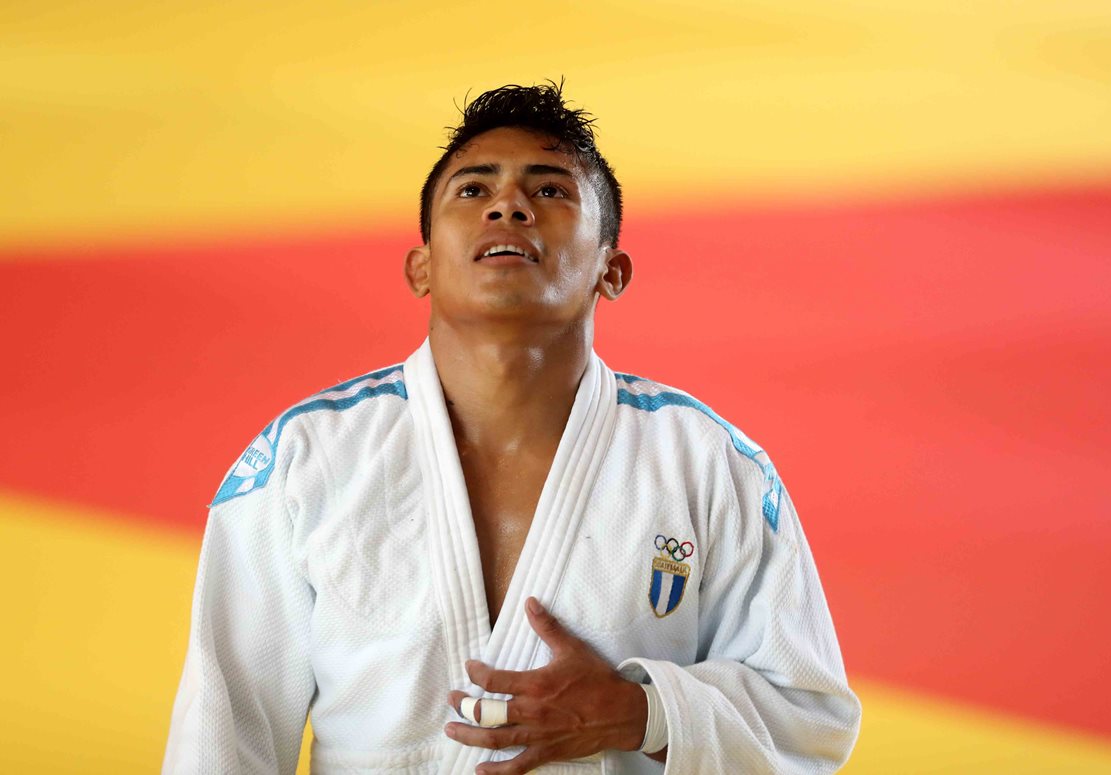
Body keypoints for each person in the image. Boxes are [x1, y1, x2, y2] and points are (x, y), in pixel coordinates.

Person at [163, 81, 861, 774]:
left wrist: (641, 712)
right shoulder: (302, 459)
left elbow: (809, 722)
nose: (509, 205)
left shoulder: (708, 463)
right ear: (421, 266)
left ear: (610, 270)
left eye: (551, 190)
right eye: (473, 190)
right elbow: (221, 737)